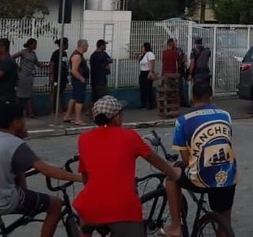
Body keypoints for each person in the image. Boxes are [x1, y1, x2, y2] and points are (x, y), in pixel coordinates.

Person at [0, 100, 83, 237]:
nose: (25, 123)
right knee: (56, 204)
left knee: (23, 187)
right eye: (23, 119)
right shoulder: (16, 144)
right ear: (16, 123)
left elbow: (15, 165)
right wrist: (80, 178)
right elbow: (46, 170)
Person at [74, 96, 181, 237]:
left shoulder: (84, 138)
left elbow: (85, 176)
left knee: (85, 228)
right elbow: (156, 161)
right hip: (122, 208)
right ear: (116, 118)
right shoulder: (129, 136)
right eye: (121, 114)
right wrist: (174, 173)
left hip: (89, 206)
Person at [162, 83, 236, 237]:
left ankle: (176, 226)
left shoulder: (183, 121)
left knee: (171, 178)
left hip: (199, 179)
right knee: (224, 219)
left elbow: (186, 159)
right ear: (211, 97)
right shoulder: (225, 115)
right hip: (228, 176)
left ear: (191, 97)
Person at [13, 39, 42, 118]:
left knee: (29, 95)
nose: (35, 46)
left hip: (29, 76)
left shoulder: (33, 53)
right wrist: (17, 67)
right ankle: (17, 112)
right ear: (30, 44)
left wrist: (44, 66)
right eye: (34, 44)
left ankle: (31, 113)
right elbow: (13, 57)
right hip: (22, 76)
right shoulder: (23, 52)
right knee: (20, 95)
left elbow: (36, 62)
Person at [65, 39, 90, 125]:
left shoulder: (78, 55)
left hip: (77, 80)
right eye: (87, 46)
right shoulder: (77, 56)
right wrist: (81, 78)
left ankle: (67, 116)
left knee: (74, 97)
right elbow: (74, 70)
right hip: (78, 81)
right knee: (79, 99)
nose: (87, 47)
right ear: (83, 46)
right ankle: (78, 119)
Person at [49, 38, 70, 116]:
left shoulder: (64, 53)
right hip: (56, 77)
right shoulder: (56, 53)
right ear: (64, 44)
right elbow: (52, 64)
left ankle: (60, 110)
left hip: (62, 77)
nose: (68, 45)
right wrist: (52, 76)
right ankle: (52, 111)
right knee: (54, 92)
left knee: (60, 93)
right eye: (67, 43)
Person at [90, 39, 113, 104]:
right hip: (101, 80)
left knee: (94, 97)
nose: (105, 46)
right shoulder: (103, 54)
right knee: (103, 97)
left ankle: (90, 111)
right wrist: (106, 64)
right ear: (102, 46)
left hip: (94, 80)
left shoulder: (93, 55)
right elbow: (110, 60)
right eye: (104, 45)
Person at [137, 42, 156, 110]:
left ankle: (150, 104)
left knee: (148, 89)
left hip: (147, 72)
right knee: (142, 89)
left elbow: (152, 63)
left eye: (143, 47)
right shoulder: (143, 54)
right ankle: (143, 104)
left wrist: (151, 72)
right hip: (142, 72)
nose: (142, 48)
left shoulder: (150, 54)